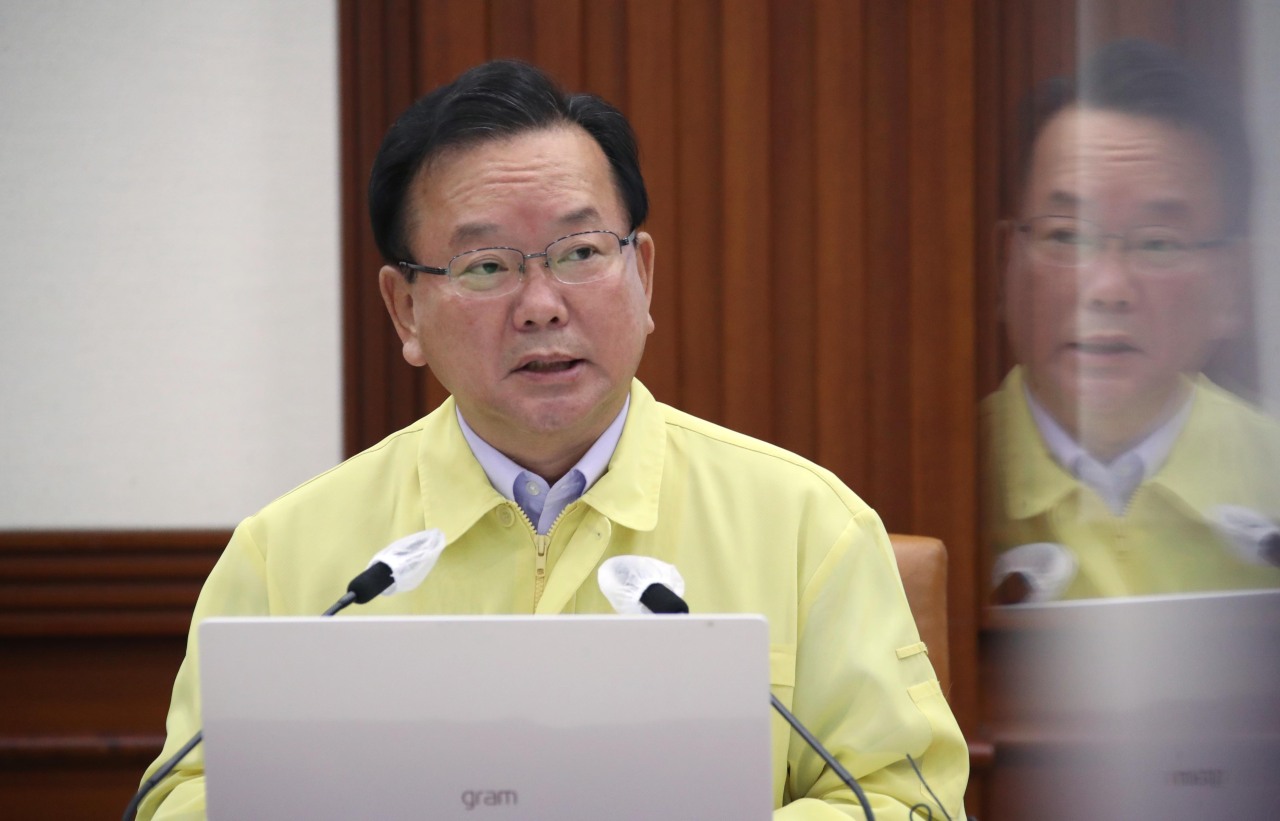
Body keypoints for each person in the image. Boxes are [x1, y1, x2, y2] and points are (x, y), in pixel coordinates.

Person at [137, 60, 968, 819]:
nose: (541, 304)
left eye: (578, 252)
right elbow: (177, 800)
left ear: (641, 275)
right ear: (405, 310)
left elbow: (910, 802)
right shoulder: (291, 557)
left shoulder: (806, 526)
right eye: (487, 265)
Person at [985, 39, 1280, 601]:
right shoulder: (942, 474)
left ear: (1232, 284)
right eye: (1066, 236)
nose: (1107, 290)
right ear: (1008, 264)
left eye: (1158, 244)